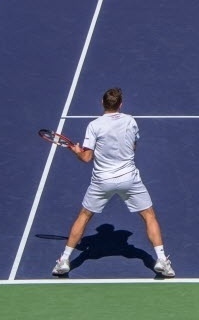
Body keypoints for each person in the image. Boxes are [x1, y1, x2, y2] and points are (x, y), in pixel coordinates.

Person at [52, 88, 175, 278]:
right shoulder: (131, 121)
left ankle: (64, 262)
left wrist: (75, 150)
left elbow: (86, 158)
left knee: (84, 216)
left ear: (102, 103)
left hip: (102, 181)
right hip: (129, 179)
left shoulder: (94, 126)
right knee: (149, 216)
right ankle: (162, 261)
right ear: (121, 104)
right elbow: (133, 147)